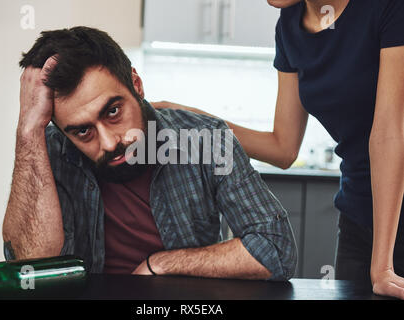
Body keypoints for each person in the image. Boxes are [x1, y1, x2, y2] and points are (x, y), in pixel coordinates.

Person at [1, 26, 297, 281]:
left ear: (137, 85)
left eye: (113, 111)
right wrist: (28, 130)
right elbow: (30, 270)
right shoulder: (49, 149)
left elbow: (276, 249)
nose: (107, 143)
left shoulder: (208, 140)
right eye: (82, 131)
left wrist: (163, 263)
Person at [153, 0, 404, 298]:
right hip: (357, 214)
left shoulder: (388, 8)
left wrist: (382, 265)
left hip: (394, 220)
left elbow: (390, 133)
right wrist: (189, 119)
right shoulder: (289, 26)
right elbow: (283, 147)